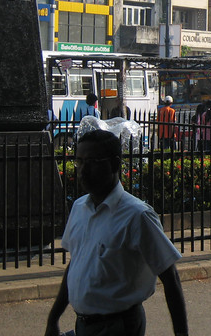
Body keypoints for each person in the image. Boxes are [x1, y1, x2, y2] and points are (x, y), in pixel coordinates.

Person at [44, 129, 188, 336]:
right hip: (84, 324)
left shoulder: (136, 216)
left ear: (114, 164)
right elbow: (76, 264)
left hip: (119, 326)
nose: (83, 170)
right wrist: (54, 318)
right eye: (79, 162)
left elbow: (170, 277)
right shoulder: (78, 208)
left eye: (92, 162)